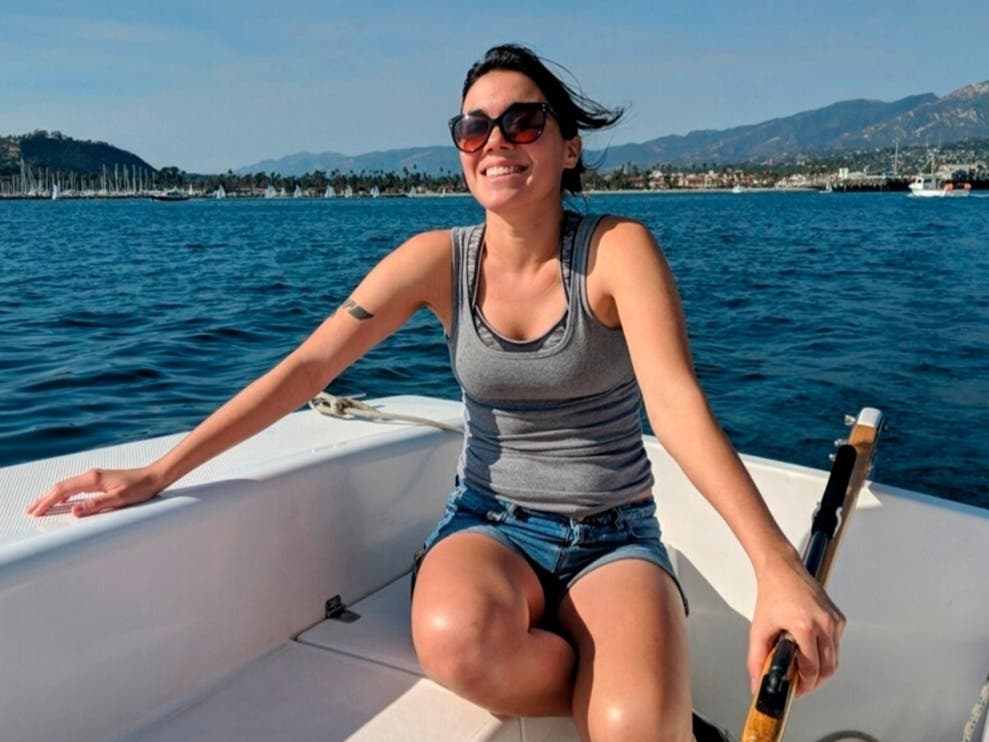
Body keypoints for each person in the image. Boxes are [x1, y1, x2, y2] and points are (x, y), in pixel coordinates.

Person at [28, 44, 844, 742]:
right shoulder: (435, 260)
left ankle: (632, 693)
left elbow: (673, 402)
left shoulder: (615, 250)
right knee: (460, 646)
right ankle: (621, 685)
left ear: (568, 148)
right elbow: (307, 370)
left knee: (634, 730)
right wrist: (157, 472)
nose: (495, 142)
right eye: (473, 127)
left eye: (522, 122)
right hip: (489, 524)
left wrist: (775, 567)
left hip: (614, 532)